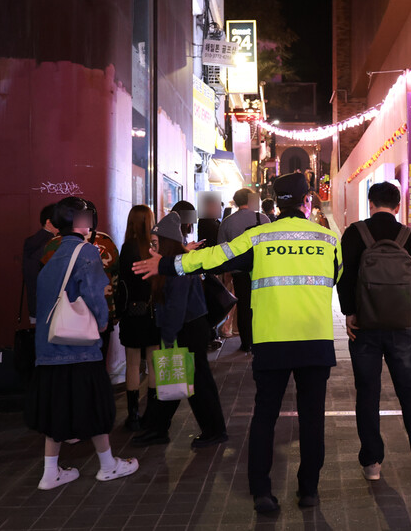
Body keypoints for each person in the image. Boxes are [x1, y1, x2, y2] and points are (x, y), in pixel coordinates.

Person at [133, 173, 342, 512]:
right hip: (314, 342)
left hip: (272, 342)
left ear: (275, 202)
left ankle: (261, 491)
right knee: (312, 419)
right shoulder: (329, 239)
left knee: (264, 417)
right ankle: (309, 491)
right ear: (307, 201)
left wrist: (169, 263)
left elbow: (214, 258)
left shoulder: (258, 237)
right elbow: (337, 278)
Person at [25, 197, 139, 490]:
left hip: (49, 348)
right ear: (81, 222)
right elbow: (94, 293)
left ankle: (51, 473)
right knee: (95, 406)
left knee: (56, 409)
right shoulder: (86, 251)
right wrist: (103, 321)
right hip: (79, 348)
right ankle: (108, 465)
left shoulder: (49, 253)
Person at [337, 181, 411, 482]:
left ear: (370, 203)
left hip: (364, 327)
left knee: (367, 393)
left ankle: (372, 462)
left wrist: (349, 314)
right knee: (409, 391)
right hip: (401, 328)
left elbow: (344, 278)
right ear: (397, 206)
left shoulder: (355, 233)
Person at [130, 212, 228, 449]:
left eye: (156, 243)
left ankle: (213, 431)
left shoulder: (178, 266)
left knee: (195, 382)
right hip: (186, 327)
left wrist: (168, 337)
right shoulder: (174, 262)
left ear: (166, 243)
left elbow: (176, 306)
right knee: (174, 377)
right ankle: (158, 428)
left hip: (188, 328)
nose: (152, 248)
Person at [41, 200, 119, 361]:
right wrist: (110, 314)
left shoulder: (53, 244)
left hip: (62, 315)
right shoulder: (105, 242)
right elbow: (116, 277)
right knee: (97, 362)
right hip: (99, 313)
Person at [117, 205, 160, 431]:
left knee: (133, 363)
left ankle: (133, 415)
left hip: (132, 312)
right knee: (153, 362)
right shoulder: (153, 248)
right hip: (152, 311)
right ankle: (152, 413)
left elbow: (123, 282)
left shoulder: (127, 248)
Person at [218, 188, 271, 352]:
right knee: (262, 305)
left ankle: (246, 342)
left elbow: (221, 249)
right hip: (261, 270)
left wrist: (226, 271)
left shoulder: (227, 221)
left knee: (244, 307)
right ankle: (262, 339)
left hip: (239, 271)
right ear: (251, 199)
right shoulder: (262, 218)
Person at [23, 204, 58, 323]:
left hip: (36, 306)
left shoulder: (32, 241)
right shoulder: (52, 244)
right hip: (51, 308)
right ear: (49, 222)